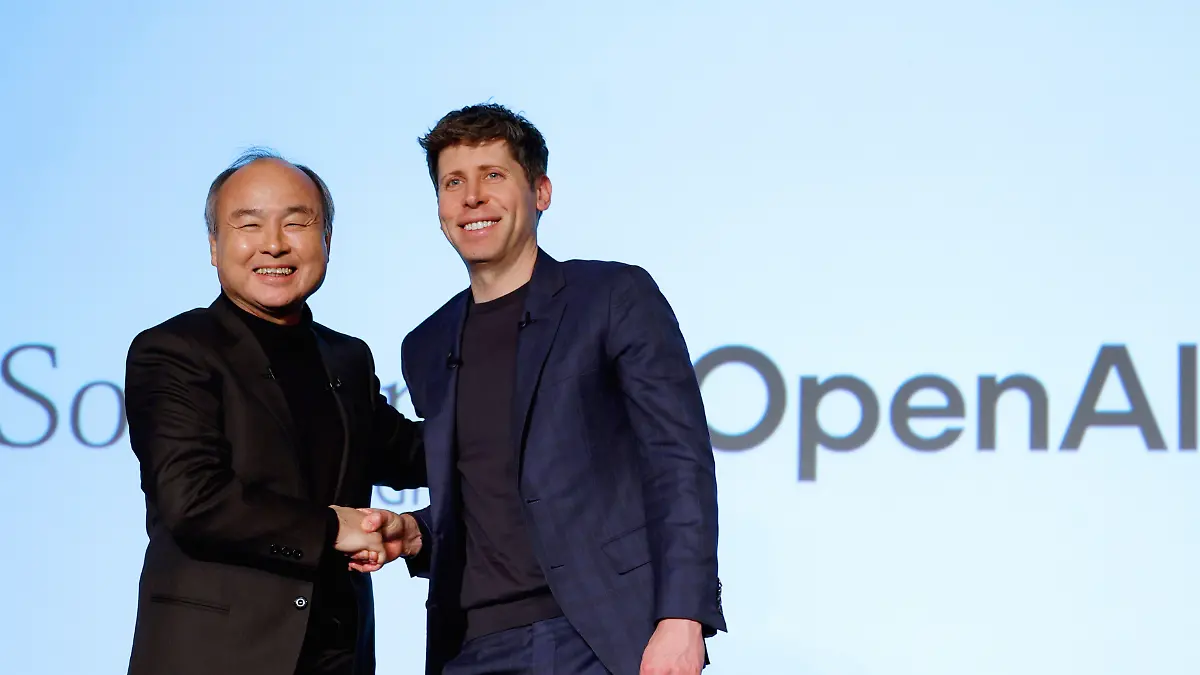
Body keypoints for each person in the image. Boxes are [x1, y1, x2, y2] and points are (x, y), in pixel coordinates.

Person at [359, 103, 725, 675]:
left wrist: (683, 617)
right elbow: (482, 495)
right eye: (453, 182)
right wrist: (415, 532)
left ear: (541, 192)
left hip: (597, 635)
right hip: (468, 644)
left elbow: (677, 462)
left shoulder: (612, 295)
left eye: (493, 175)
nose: (472, 197)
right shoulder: (425, 345)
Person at [124, 149, 426, 675]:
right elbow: (193, 501)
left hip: (336, 655)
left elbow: (412, 454)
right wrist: (330, 528)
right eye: (249, 224)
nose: (274, 244)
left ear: (327, 239)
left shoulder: (346, 357)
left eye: (296, 223)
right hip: (216, 656)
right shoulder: (174, 350)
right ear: (214, 246)